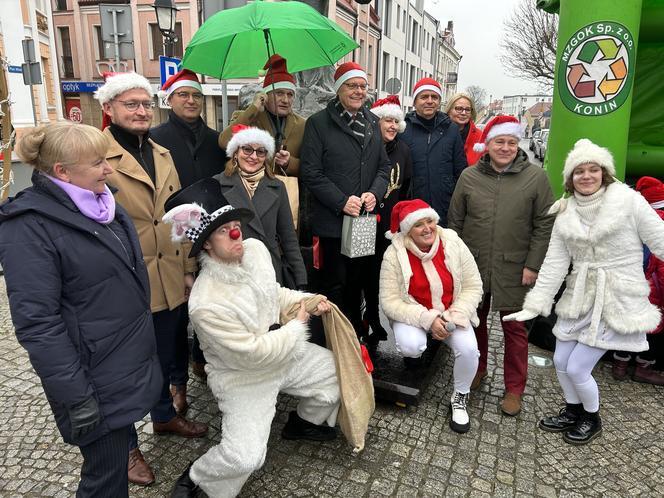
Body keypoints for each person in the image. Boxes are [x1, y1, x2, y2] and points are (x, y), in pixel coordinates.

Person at [0, 122, 162, 497]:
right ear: (62, 171)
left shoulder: (102, 204)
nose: (108, 169)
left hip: (120, 368)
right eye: (97, 162)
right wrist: (77, 397)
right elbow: (38, 325)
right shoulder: (29, 227)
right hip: (91, 380)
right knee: (103, 480)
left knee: (114, 470)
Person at [161, 179, 340, 498]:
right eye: (222, 231)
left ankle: (301, 423)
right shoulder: (206, 304)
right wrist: (297, 326)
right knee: (247, 457)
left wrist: (308, 300)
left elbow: (273, 294)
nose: (235, 234)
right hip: (244, 378)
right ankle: (199, 476)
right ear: (205, 244)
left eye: (234, 225)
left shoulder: (255, 252)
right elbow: (251, 354)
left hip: (283, 354)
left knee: (336, 374)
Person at [504, 139, 664, 444]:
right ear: (570, 178)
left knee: (578, 367)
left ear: (604, 172)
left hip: (617, 296)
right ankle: (573, 410)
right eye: (579, 171)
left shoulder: (629, 201)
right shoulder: (566, 211)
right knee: (562, 361)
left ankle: (592, 418)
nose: (586, 176)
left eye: (593, 169)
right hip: (580, 296)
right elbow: (554, 263)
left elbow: (660, 240)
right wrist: (537, 303)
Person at [95, 72, 208, 486]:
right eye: (131, 104)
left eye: (146, 104)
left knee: (164, 353)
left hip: (169, 274)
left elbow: (179, 216)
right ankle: (124, 450)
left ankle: (162, 416)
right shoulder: (96, 154)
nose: (141, 111)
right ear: (109, 109)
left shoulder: (161, 153)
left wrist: (188, 269)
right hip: (124, 278)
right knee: (122, 369)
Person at [448, 115, 554, 416]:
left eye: (511, 142)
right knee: (473, 320)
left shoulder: (536, 178)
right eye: (499, 142)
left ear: (517, 144)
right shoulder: (469, 176)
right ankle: (476, 369)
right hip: (475, 264)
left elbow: (545, 224)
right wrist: (456, 263)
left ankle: (514, 388)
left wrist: (533, 264)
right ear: (488, 144)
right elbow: (455, 222)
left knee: (515, 329)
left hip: (516, 265)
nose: (505, 147)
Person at [300, 61, 390, 338]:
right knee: (333, 286)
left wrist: (374, 193)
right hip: (331, 224)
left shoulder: (373, 123)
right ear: (339, 89)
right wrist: (341, 201)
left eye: (363, 86)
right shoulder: (318, 123)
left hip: (362, 223)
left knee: (356, 283)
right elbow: (310, 173)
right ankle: (331, 341)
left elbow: (383, 167)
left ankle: (353, 339)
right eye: (352, 85)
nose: (359, 91)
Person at [379, 200, 482, 432]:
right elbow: (389, 301)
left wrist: (454, 316)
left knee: (468, 350)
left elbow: (473, 285)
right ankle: (421, 347)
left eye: (430, 222)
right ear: (407, 230)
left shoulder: (453, 242)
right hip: (414, 312)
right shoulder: (394, 254)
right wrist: (428, 319)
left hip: (452, 312)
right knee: (411, 346)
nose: (427, 229)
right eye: (419, 225)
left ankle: (460, 397)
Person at [152, 68, 226, 386]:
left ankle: (202, 356)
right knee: (178, 306)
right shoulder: (155, 139)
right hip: (173, 232)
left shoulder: (215, 139)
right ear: (170, 100)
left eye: (197, 95)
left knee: (212, 298)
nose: (191, 100)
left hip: (209, 228)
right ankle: (176, 378)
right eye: (184, 94)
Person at [216, 124, 307, 289]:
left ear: (266, 156)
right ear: (235, 153)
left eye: (261, 151)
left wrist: (301, 279)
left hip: (268, 270)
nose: (253, 156)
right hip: (231, 272)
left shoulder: (277, 187)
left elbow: (288, 238)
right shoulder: (217, 184)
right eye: (247, 149)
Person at [362, 95, 412, 345]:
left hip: (390, 227)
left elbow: (406, 187)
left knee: (386, 277)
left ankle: (385, 320)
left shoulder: (403, 150)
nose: (392, 126)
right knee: (365, 276)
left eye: (396, 121)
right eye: (387, 120)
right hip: (365, 222)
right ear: (377, 121)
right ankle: (368, 318)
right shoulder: (365, 145)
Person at [611, 176, 664, 385]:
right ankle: (643, 367)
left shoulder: (631, 219)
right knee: (653, 326)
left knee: (627, 322)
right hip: (655, 288)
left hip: (630, 282)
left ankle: (620, 365)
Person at [219, 54, 304, 176]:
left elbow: (310, 167)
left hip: (286, 191)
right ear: (265, 95)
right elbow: (224, 142)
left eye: (290, 94)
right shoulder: (248, 118)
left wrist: (288, 163)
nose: (285, 100)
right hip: (251, 190)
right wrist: (254, 108)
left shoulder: (302, 125)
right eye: (279, 93)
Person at [400, 77, 467, 225]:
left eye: (434, 97)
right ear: (414, 101)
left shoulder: (451, 129)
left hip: (444, 206)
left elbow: (460, 170)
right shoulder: (403, 129)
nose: (430, 101)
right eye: (424, 97)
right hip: (413, 207)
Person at [445, 92, 483, 166]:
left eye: (468, 109)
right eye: (459, 108)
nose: (463, 113)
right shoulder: (438, 133)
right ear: (449, 110)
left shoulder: (480, 137)